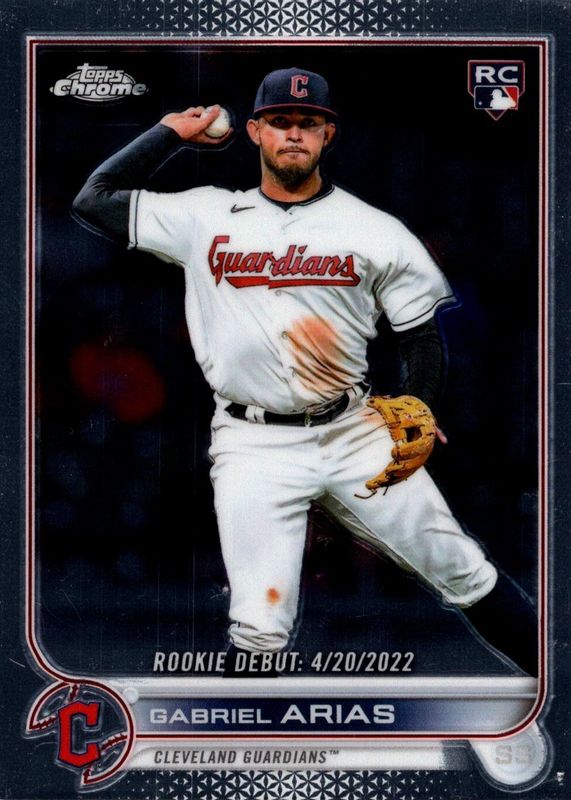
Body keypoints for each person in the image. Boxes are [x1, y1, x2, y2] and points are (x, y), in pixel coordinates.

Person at [73, 67, 537, 677]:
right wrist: (169, 132)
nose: (294, 133)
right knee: (259, 628)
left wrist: (419, 403)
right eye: (281, 122)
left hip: (353, 432)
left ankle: (560, 685)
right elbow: (94, 200)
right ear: (255, 132)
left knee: (466, 572)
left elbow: (419, 335)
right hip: (252, 441)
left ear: (328, 135)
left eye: (308, 123)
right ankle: (250, 737)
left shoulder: (375, 229)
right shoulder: (206, 214)